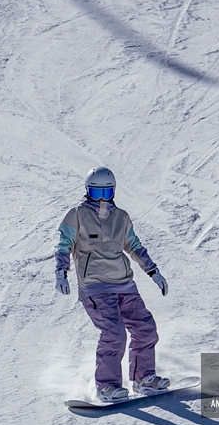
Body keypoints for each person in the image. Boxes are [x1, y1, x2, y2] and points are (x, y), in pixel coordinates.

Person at [55, 167, 170, 402]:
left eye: (106, 193)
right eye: (97, 193)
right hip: (95, 287)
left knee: (145, 329)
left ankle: (143, 378)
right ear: (88, 192)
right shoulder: (76, 215)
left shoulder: (122, 217)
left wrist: (153, 271)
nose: (101, 199)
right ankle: (107, 386)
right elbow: (64, 244)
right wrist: (61, 272)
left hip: (125, 285)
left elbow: (135, 246)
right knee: (114, 334)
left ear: (113, 192)